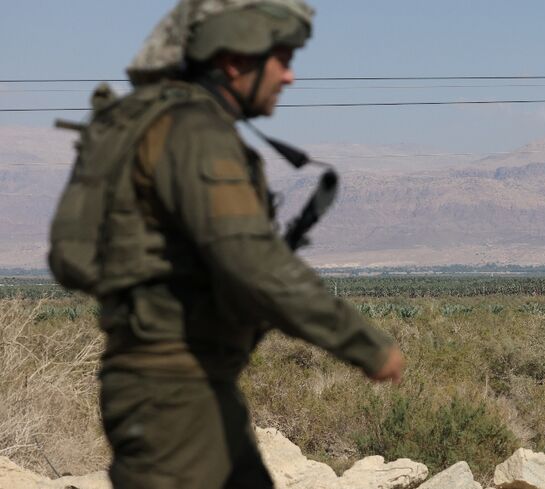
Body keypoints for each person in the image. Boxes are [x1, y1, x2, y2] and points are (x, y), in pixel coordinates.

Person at [54, 1, 404, 487]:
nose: (289, 77)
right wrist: (366, 345)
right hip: (171, 395)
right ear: (235, 61)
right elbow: (253, 261)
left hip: (191, 385)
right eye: (281, 59)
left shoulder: (180, 124)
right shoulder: (194, 132)